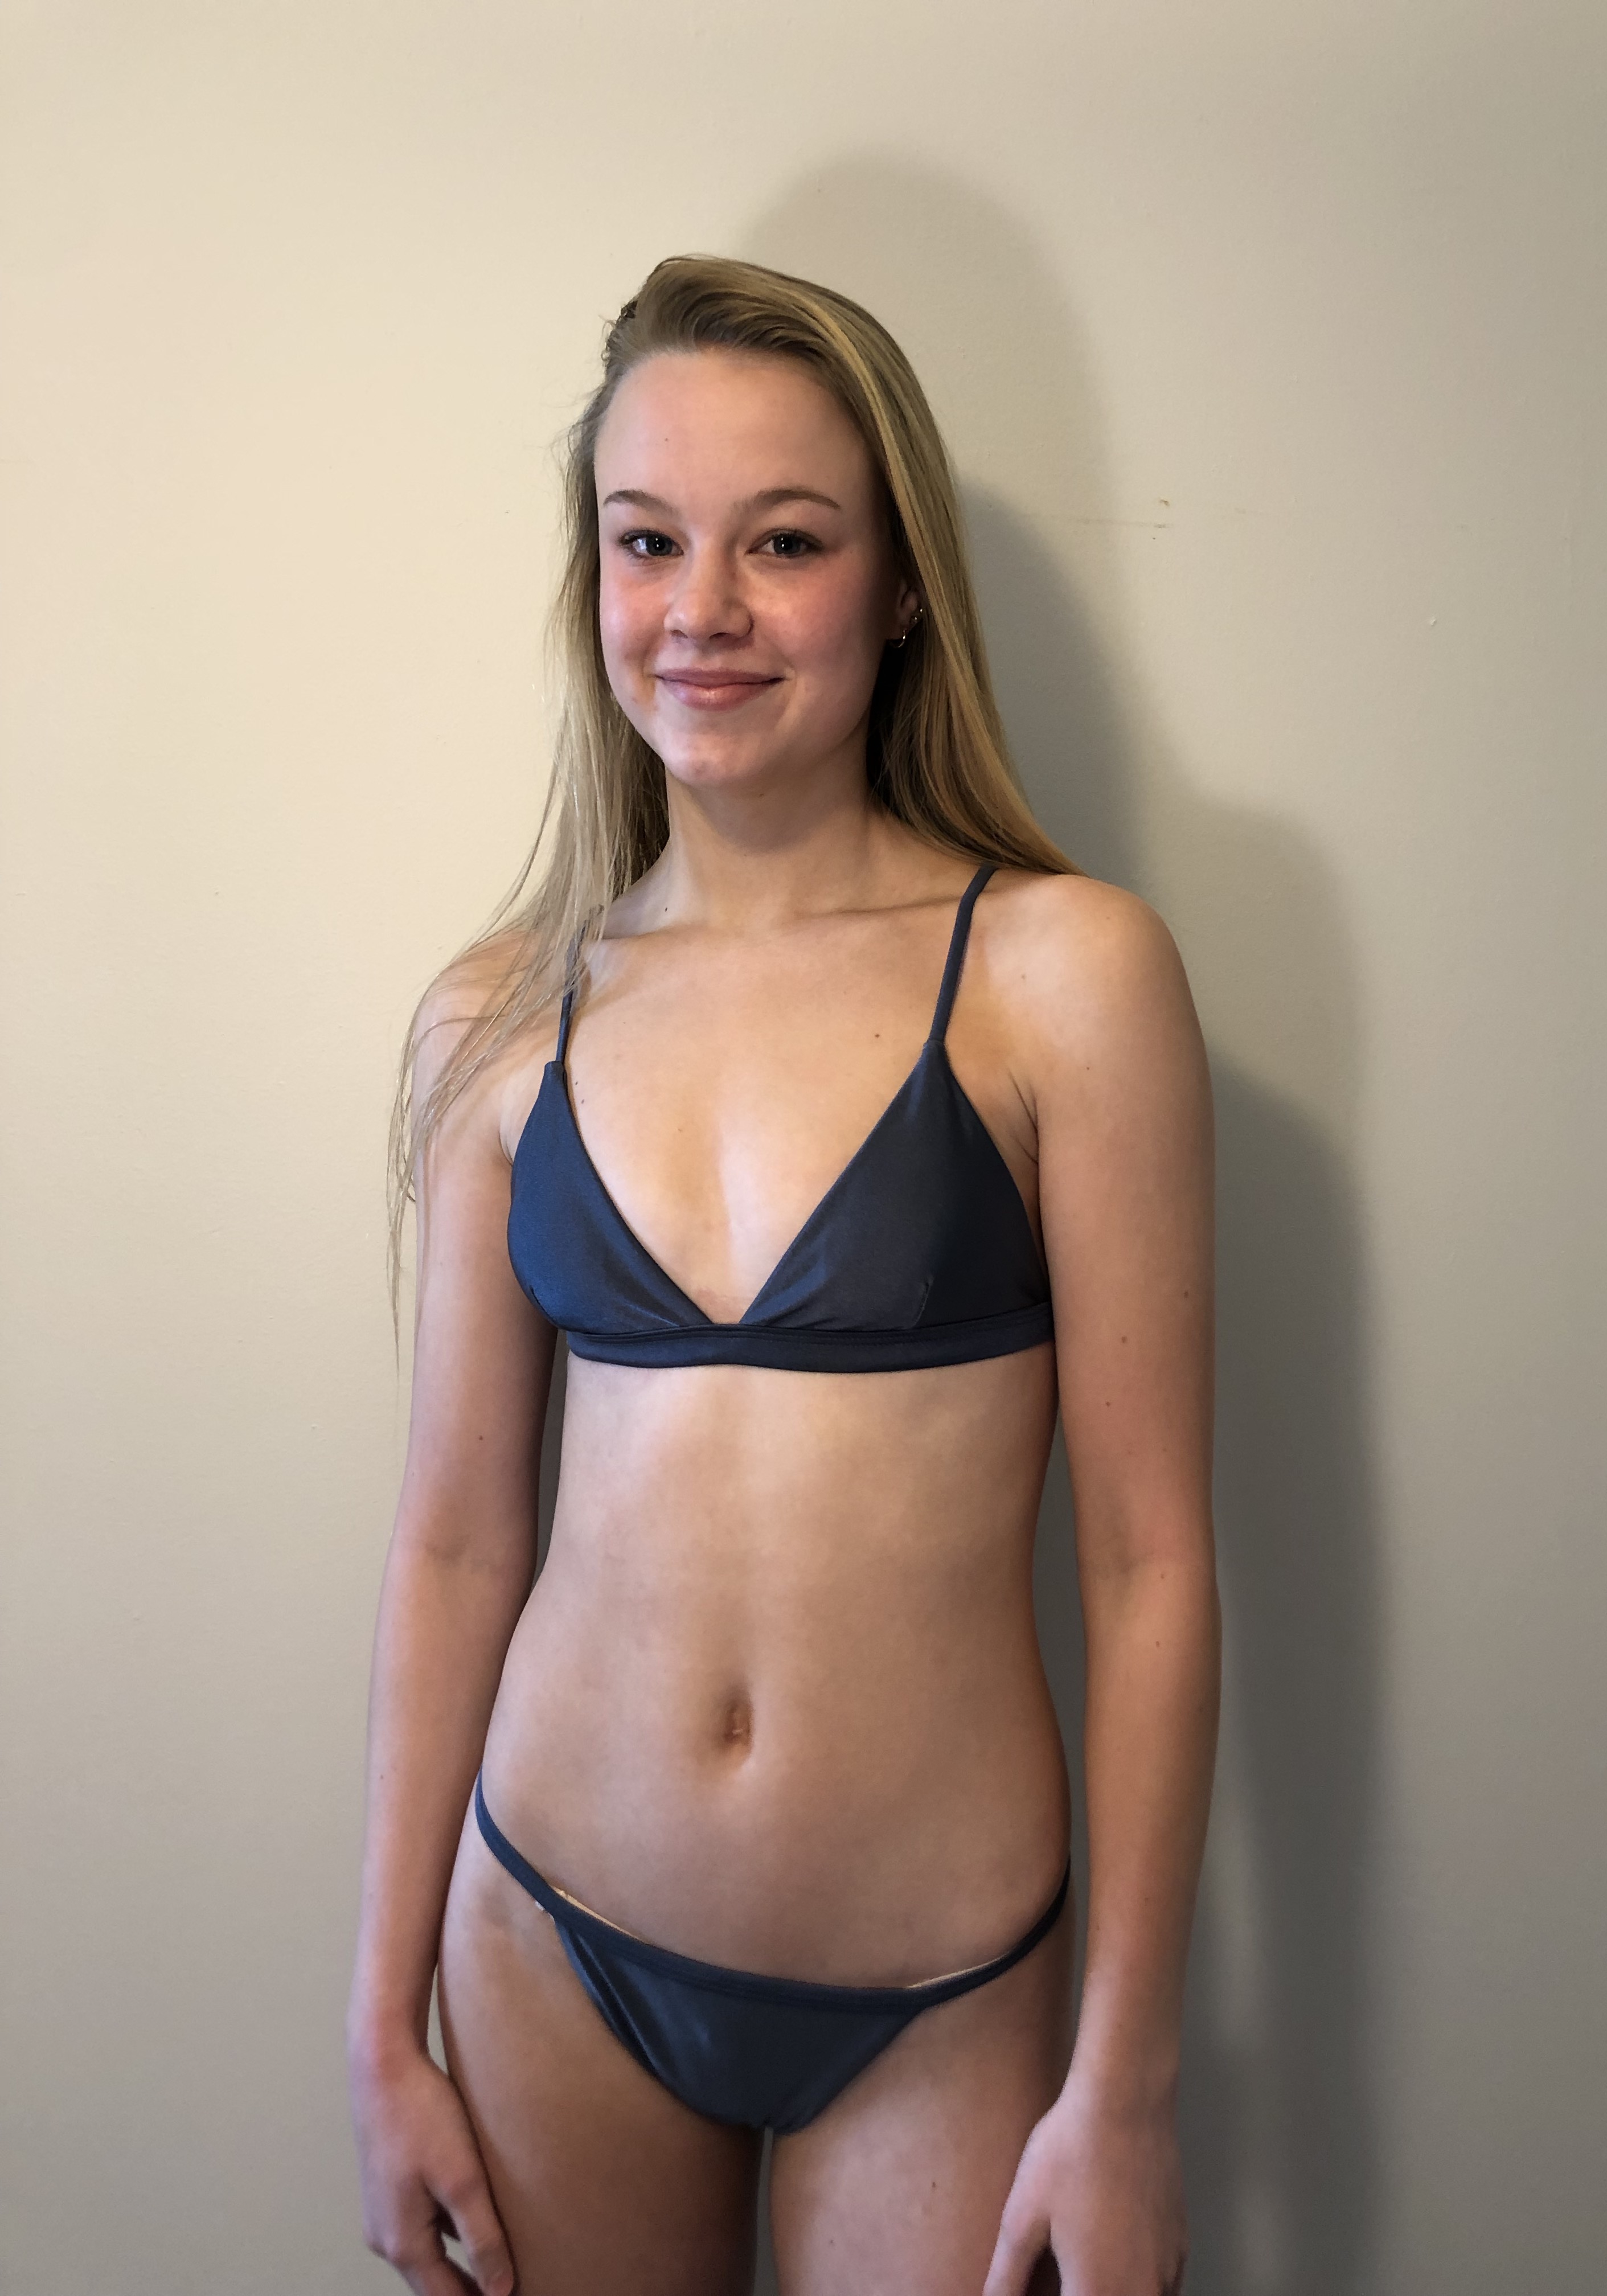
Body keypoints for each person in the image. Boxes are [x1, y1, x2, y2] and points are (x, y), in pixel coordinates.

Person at [347, 254, 1219, 2296]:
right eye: (648, 540)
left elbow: (1151, 1565)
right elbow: (457, 1544)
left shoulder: (1064, 977)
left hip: (942, 1982)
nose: (703, 611)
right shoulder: (499, 1020)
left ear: (900, 586)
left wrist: (1127, 2086)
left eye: (787, 543)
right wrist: (379, 2025)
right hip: (548, 1938)